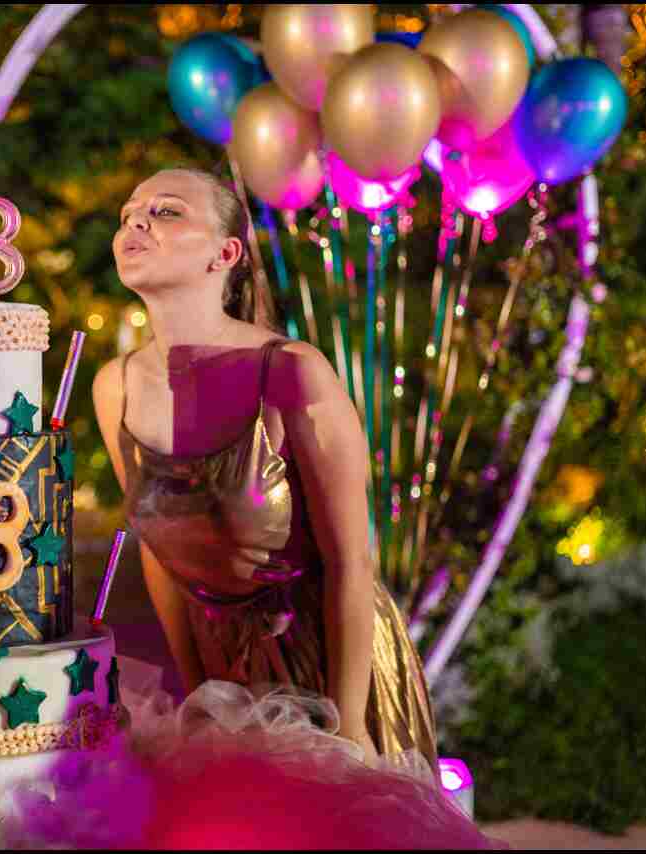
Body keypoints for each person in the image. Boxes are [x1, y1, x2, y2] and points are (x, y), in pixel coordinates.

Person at [92, 167, 438, 773]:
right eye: (127, 214)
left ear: (225, 254)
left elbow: (351, 562)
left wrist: (349, 725)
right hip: (222, 668)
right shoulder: (113, 386)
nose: (136, 222)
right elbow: (158, 553)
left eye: (167, 211)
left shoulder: (291, 370)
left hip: (328, 660)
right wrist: (200, 693)